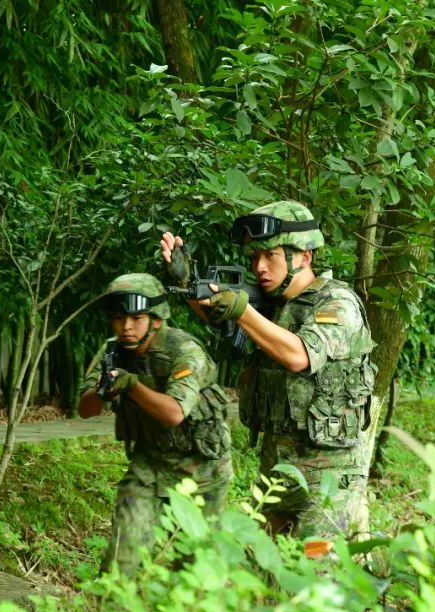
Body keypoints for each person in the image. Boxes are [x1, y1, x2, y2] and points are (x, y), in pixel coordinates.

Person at [160, 200, 375, 539]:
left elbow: (299, 355)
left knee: (317, 581)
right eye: (254, 258)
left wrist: (242, 311)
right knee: (265, 580)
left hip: (329, 479)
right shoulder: (272, 305)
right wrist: (187, 282)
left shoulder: (337, 304)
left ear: (304, 256)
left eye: (270, 256)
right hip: (276, 470)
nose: (259, 267)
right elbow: (219, 312)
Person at [77, 273, 232, 576]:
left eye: (136, 318)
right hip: (149, 464)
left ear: (157, 319)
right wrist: (102, 389)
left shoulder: (184, 351)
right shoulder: (112, 350)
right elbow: (85, 409)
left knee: (194, 572)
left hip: (202, 470)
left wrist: (131, 385)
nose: (126, 327)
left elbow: (174, 412)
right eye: (119, 318)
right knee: (121, 562)